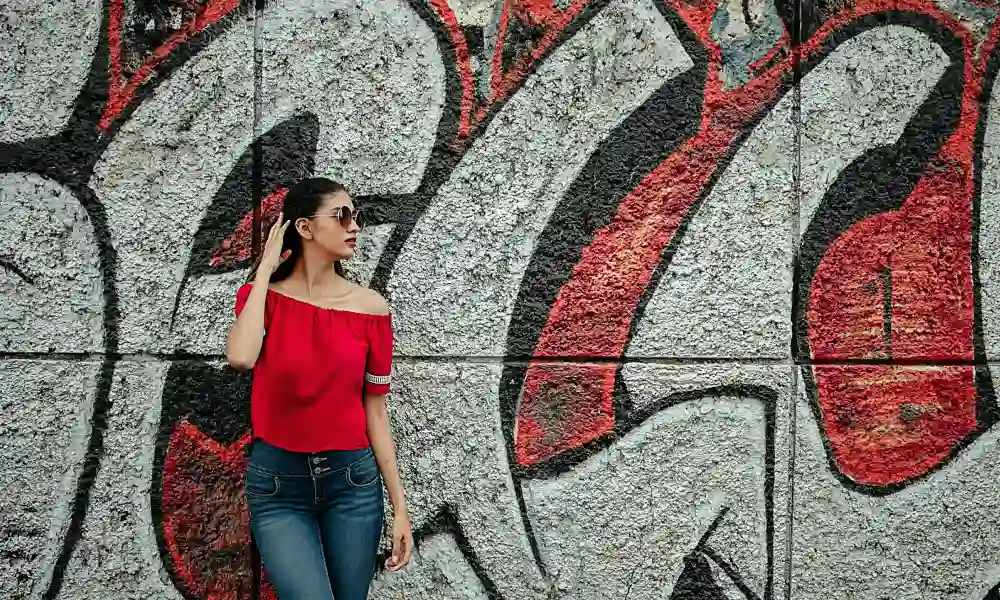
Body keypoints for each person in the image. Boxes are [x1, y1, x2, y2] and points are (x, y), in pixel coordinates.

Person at [224, 177, 413, 599]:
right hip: (278, 488)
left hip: (353, 485)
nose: (354, 226)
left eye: (355, 217)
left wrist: (400, 506)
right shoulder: (263, 300)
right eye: (341, 216)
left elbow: (375, 411)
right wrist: (264, 270)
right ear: (305, 228)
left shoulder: (370, 309)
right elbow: (240, 357)